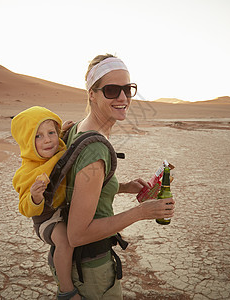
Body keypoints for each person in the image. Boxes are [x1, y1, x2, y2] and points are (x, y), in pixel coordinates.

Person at [50, 54, 175, 299]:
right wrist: (141, 213)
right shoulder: (95, 150)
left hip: (80, 266)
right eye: (111, 90)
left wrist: (124, 186)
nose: (123, 98)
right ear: (92, 94)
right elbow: (76, 234)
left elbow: (79, 185)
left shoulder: (78, 129)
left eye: (128, 90)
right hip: (91, 273)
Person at [11, 106, 80, 300]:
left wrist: (64, 132)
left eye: (51, 133)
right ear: (27, 142)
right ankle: (66, 290)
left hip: (64, 210)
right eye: (38, 136)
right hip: (46, 219)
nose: (48, 140)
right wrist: (35, 197)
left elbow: (62, 146)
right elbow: (24, 207)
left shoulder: (58, 149)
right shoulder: (26, 172)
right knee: (64, 242)